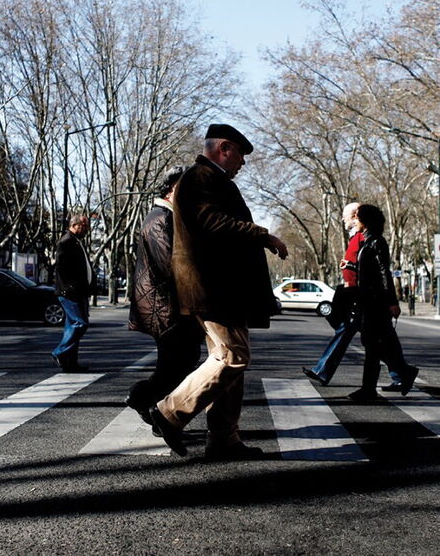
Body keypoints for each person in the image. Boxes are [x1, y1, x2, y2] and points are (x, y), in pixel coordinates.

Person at [148, 123, 288, 460]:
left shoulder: (210, 179)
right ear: (224, 148)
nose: (243, 162)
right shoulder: (200, 177)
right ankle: (169, 412)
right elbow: (212, 222)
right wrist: (263, 235)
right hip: (214, 288)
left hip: (222, 288)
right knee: (232, 357)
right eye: (240, 154)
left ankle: (224, 439)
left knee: (227, 367)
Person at [125, 167, 204, 426]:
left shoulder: (168, 217)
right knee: (176, 365)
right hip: (163, 306)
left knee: (182, 361)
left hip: (167, 304)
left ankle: (155, 406)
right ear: (171, 189)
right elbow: (170, 264)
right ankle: (147, 401)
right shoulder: (160, 218)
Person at [302, 203, 402, 390]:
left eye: (350, 215)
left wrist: (392, 301)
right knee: (380, 340)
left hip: (364, 298)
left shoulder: (369, 240)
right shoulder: (361, 238)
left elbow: (381, 272)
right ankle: (399, 375)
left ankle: (390, 379)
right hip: (361, 296)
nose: (347, 219)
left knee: (370, 339)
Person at [346, 204, 419, 401]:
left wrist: (392, 302)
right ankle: (404, 372)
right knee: (379, 344)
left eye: (357, 217)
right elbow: (369, 272)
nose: (354, 221)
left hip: (376, 303)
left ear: (366, 220)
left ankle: (370, 388)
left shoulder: (377, 242)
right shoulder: (368, 241)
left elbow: (383, 273)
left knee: (372, 345)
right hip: (369, 301)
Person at [52, 214, 93, 373]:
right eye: (85, 226)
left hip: (78, 292)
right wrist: (71, 289)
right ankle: (60, 352)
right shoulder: (66, 242)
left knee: (71, 327)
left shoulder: (75, 242)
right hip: (71, 292)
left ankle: (70, 363)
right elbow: (62, 269)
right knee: (80, 323)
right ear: (76, 225)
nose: (87, 229)